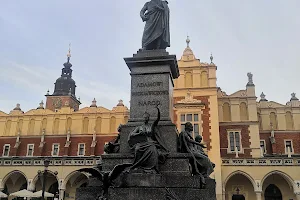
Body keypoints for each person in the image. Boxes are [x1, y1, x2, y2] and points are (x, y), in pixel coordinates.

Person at [128, 106, 168, 173]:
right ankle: (137, 165)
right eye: (144, 117)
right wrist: (139, 134)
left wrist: (158, 110)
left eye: (146, 117)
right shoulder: (139, 127)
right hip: (142, 143)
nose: (145, 119)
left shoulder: (151, 126)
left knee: (153, 149)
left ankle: (151, 167)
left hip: (151, 142)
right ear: (143, 118)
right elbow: (132, 134)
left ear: (148, 118)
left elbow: (157, 119)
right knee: (137, 149)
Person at [178, 122, 214, 187]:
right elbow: (189, 141)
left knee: (207, 159)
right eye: (191, 126)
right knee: (205, 159)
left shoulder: (188, 134)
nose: (192, 127)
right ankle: (204, 174)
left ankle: (204, 173)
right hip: (190, 152)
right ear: (187, 127)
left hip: (193, 151)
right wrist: (199, 144)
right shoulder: (184, 133)